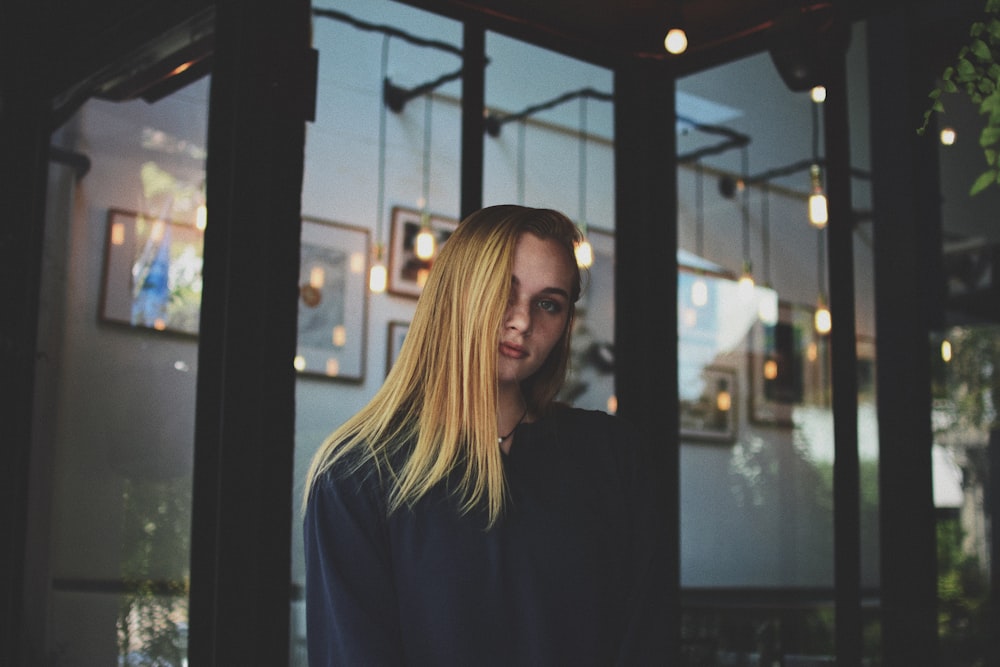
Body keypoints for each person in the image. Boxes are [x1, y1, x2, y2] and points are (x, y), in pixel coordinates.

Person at [303, 205, 668, 665]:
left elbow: (646, 641)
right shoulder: (358, 474)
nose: (521, 321)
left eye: (549, 304)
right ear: (455, 294)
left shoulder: (613, 457)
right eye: (503, 291)